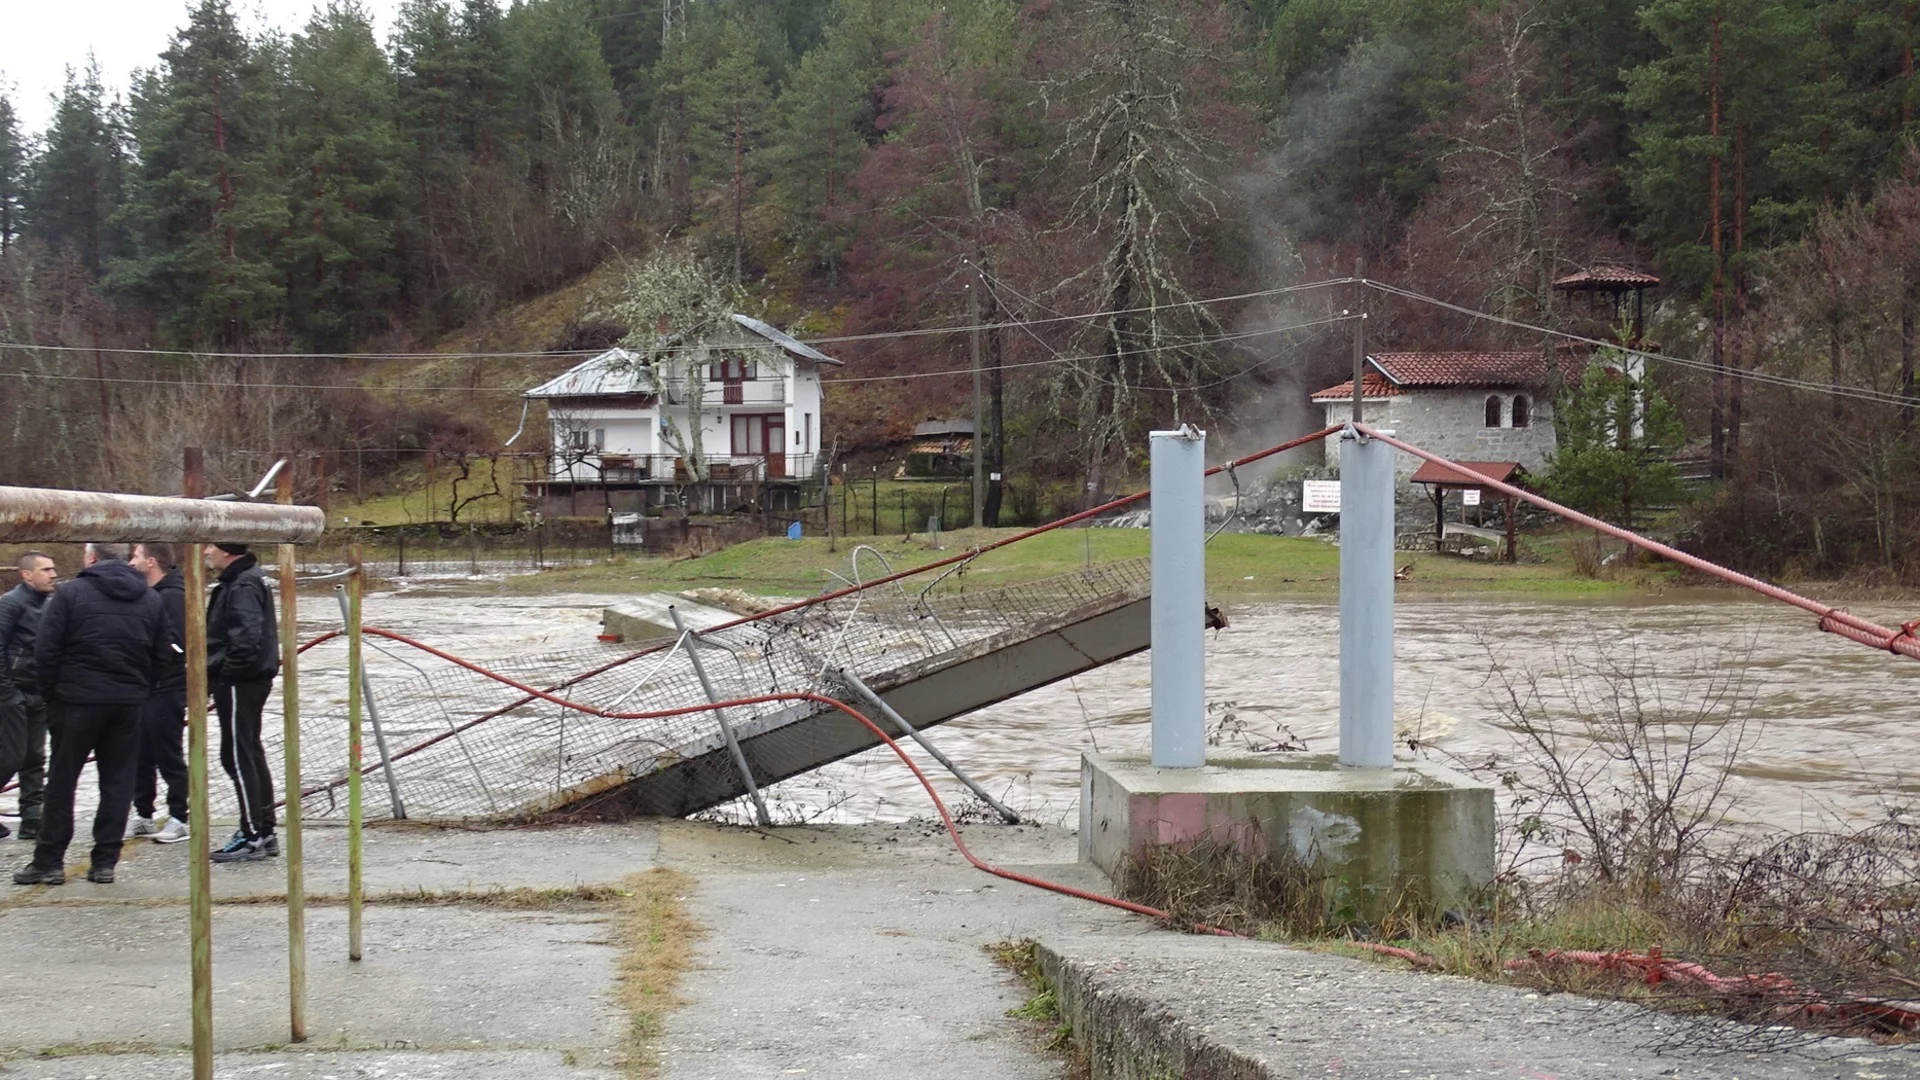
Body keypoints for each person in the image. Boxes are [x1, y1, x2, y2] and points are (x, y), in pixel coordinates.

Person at [14, 543, 168, 886]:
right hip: (127, 702)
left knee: (61, 781)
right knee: (118, 782)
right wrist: (140, 691)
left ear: (92, 558)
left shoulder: (70, 594)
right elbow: (161, 655)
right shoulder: (150, 598)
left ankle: (49, 862)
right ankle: (104, 863)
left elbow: (46, 649)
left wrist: (52, 694)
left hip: (75, 701)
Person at [203, 543, 279, 863]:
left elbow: (246, 636)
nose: (206, 551)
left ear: (227, 551)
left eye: (211, 546)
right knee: (247, 750)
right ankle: (263, 829)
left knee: (237, 754)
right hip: (247, 679)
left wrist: (225, 674)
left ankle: (254, 833)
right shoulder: (244, 580)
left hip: (240, 680)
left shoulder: (243, 584)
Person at [127, 543, 190, 844]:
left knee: (168, 753)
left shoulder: (172, 596)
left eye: (136, 556)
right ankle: (143, 814)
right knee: (140, 753)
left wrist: (143, 651)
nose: (131, 562)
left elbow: (176, 644)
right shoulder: (150, 595)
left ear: (151, 562)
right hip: (147, 685)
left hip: (168, 686)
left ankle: (180, 817)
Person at [0, 552, 57, 841]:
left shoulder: (49, 604)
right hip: (12, 692)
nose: (53, 574)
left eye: (53, 569)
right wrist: (7, 691)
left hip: (38, 690)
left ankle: (32, 816)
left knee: (35, 756)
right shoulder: (11, 604)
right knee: (12, 756)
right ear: (26, 574)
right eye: (45, 569)